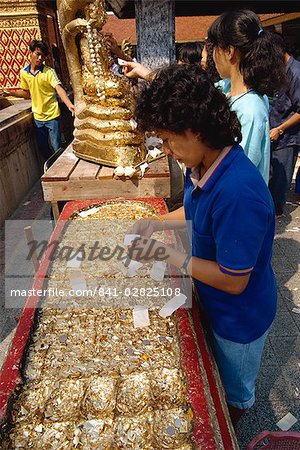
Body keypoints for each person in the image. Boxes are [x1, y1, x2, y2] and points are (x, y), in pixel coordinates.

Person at [127, 64, 277, 428]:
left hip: (239, 318)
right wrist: (154, 224)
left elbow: (233, 279)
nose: (166, 150)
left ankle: (231, 424)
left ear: (193, 129)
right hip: (214, 302)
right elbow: (194, 210)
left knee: (234, 391)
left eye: (167, 139)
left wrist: (167, 253)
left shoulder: (238, 193)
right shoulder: (206, 165)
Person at [207, 10, 287, 184]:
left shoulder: (250, 109)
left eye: (214, 48)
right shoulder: (226, 89)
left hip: (237, 205)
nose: (212, 56)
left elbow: (237, 176)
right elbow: (196, 94)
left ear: (229, 51)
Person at [1, 40, 74, 160]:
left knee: (57, 147)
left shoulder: (49, 72)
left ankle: (58, 170)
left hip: (52, 115)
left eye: (42, 56)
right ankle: (51, 168)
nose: (40, 58)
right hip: (38, 117)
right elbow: (26, 93)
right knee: (43, 147)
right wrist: (11, 92)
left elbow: (59, 89)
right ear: (30, 53)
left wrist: (69, 104)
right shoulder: (24, 73)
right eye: (37, 54)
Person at [268, 33, 300, 218]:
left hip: (287, 133)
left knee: (282, 175)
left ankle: (277, 211)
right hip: (275, 128)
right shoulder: (280, 70)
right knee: (274, 170)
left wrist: (281, 129)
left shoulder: (296, 72)